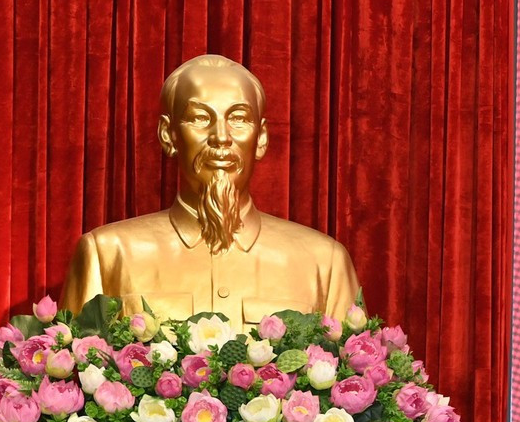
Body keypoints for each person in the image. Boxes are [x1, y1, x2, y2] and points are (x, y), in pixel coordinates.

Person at [63, 55, 361, 325]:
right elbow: (69, 375)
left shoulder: (324, 263)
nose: (221, 137)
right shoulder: (108, 254)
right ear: (168, 135)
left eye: (239, 119)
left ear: (261, 138)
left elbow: (359, 377)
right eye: (200, 118)